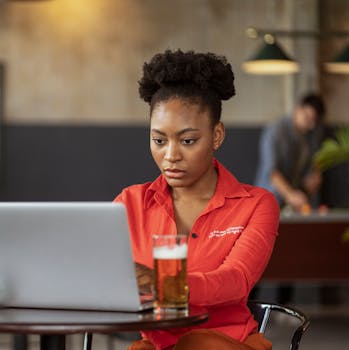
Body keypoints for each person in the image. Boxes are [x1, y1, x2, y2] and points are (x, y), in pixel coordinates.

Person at [114, 49, 279, 350]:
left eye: (188, 141)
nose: (171, 155)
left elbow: (237, 279)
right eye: (159, 140)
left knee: (196, 343)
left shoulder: (256, 204)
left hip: (229, 343)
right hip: (157, 344)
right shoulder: (130, 203)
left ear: (216, 135)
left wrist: (163, 283)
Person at [254, 93, 326, 212]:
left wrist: (312, 180)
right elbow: (271, 171)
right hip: (268, 200)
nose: (311, 125)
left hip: (295, 205)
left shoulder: (311, 135)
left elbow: (311, 166)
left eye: (314, 121)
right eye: (308, 118)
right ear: (298, 109)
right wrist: (290, 195)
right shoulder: (275, 131)